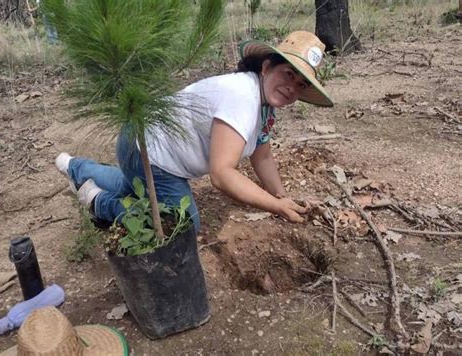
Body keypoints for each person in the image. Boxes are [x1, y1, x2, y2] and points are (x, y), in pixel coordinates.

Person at [55, 31, 333, 233]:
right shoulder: (243, 97)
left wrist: (282, 197)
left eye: (300, 85)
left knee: (131, 186)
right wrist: (275, 206)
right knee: (183, 227)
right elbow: (222, 174)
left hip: (141, 143)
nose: (291, 87)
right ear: (267, 67)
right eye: (288, 74)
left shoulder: (263, 106)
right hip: (148, 152)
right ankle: (98, 202)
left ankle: (76, 167)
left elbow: (263, 157)